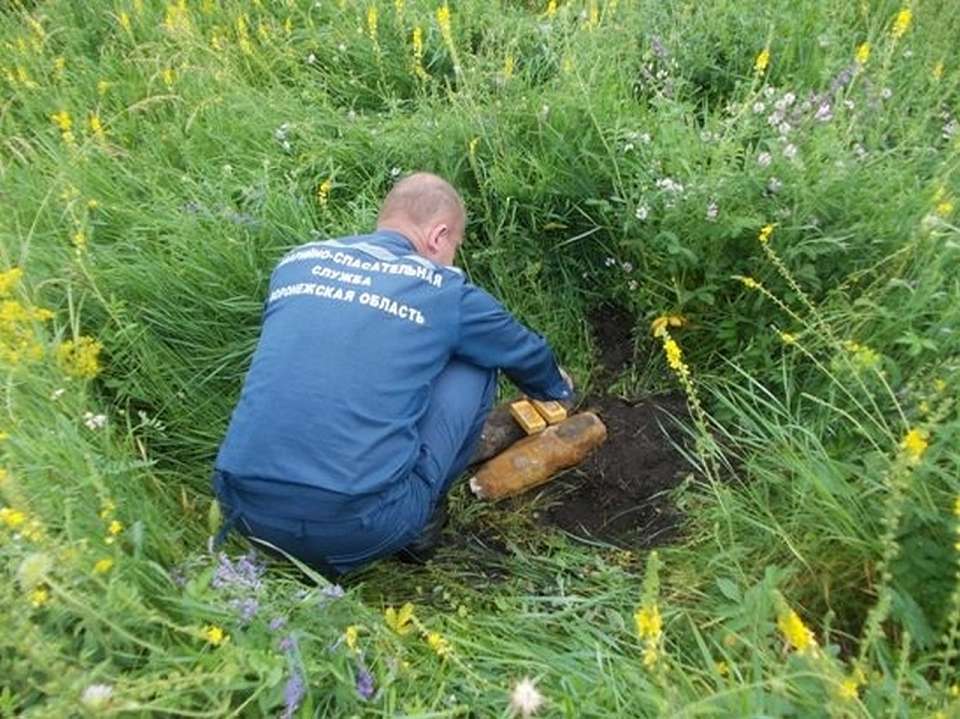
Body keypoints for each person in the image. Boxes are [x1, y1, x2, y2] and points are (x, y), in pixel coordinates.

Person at [212, 172, 573, 577]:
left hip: (241, 511)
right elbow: (523, 351)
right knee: (477, 361)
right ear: (438, 236)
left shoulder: (298, 262)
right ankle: (420, 528)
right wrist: (555, 390)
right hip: (356, 528)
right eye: (455, 246)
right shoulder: (444, 291)